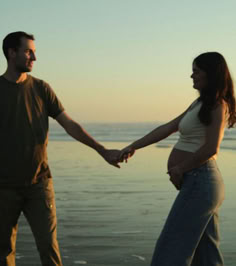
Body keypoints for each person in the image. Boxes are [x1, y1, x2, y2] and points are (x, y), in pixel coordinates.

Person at [0, 31, 121, 266]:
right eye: (28, 51)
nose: (34, 57)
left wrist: (101, 149)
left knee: (49, 250)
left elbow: (69, 124)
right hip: (3, 187)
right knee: (4, 255)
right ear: (11, 53)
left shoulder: (41, 89)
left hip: (39, 183)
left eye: (34, 51)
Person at [119, 52, 236, 266]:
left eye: (196, 71)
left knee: (170, 250)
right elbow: (168, 128)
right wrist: (133, 146)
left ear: (211, 74)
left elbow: (211, 147)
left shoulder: (217, 104)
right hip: (199, 183)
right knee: (207, 257)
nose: (192, 76)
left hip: (201, 181)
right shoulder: (199, 104)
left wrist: (181, 168)